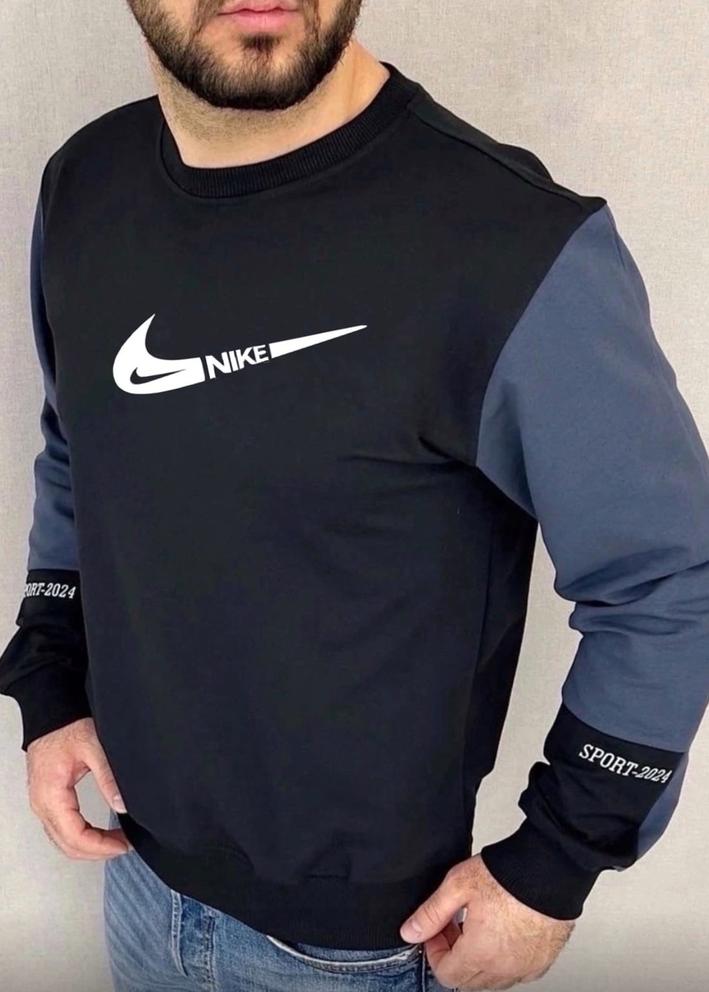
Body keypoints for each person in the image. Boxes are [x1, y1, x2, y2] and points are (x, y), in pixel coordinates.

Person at [1, 2, 708, 990]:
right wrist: (49, 678)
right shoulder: (85, 184)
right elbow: (77, 447)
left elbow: (670, 580)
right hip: (136, 876)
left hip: (355, 948)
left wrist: (554, 863)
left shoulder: (510, 243)